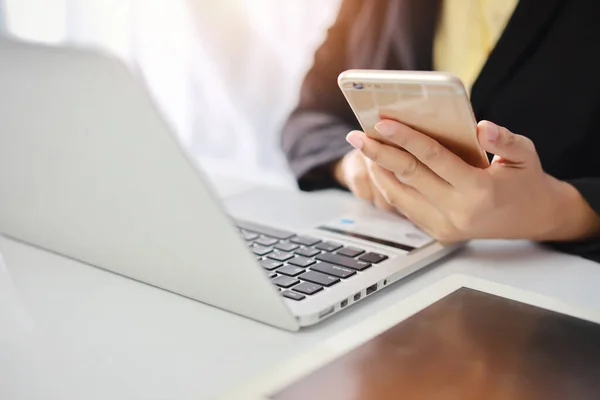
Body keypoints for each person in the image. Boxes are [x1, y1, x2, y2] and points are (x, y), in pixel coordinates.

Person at [281, 0, 600, 262]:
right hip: (392, 251)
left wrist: (562, 210)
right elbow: (309, 116)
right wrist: (354, 165)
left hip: (546, 279)